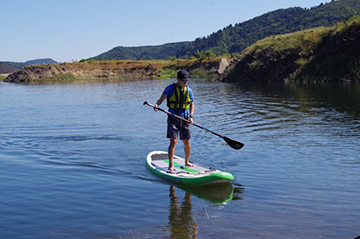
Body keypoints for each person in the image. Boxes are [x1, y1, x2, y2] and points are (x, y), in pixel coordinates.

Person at [154, 70, 195, 172]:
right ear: (178, 79)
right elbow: (161, 99)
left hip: (184, 118)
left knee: (186, 141)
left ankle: (187, 162)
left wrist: (191, 116)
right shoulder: (170, 88)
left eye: (187, 80)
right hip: (172, 117)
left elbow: (192, 104)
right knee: (173, 140)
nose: (185, 82)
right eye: (183, 80)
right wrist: (157, 105)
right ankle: (171, 165)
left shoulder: (189, 90)